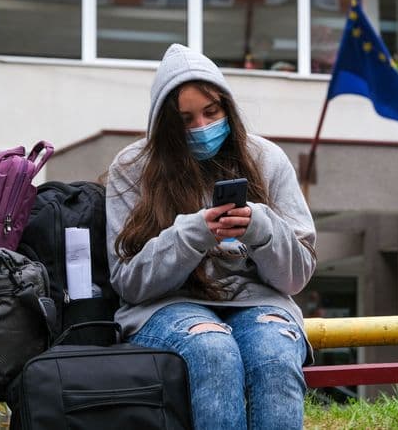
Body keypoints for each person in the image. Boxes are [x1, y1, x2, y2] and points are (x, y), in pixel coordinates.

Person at [106, 43, 317, 429]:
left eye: (211, 112)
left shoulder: (266, 158)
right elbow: (130, 284)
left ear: (228, 108)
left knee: (273, 355)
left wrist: (261, 229)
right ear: (164, 123)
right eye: (185, 119)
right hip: (165, 307)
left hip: (259, 304)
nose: (201, 127)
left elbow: (296, 277)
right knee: (212, 350)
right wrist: (192, 234)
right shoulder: (132, 167)